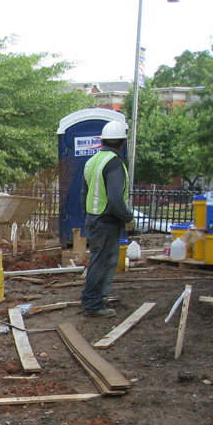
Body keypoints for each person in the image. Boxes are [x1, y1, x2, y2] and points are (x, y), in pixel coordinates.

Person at [80, 120, 136, 318]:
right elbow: (114, 198)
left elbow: (83, 194)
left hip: (94, 219)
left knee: (98, 260)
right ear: (122, 143)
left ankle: (92, 299)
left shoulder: (92, 161)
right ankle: (93, 304)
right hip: (107, 221)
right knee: (103, 262)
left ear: (102, 140)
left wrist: (88, 215)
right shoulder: (114, 163)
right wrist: (128, 218)